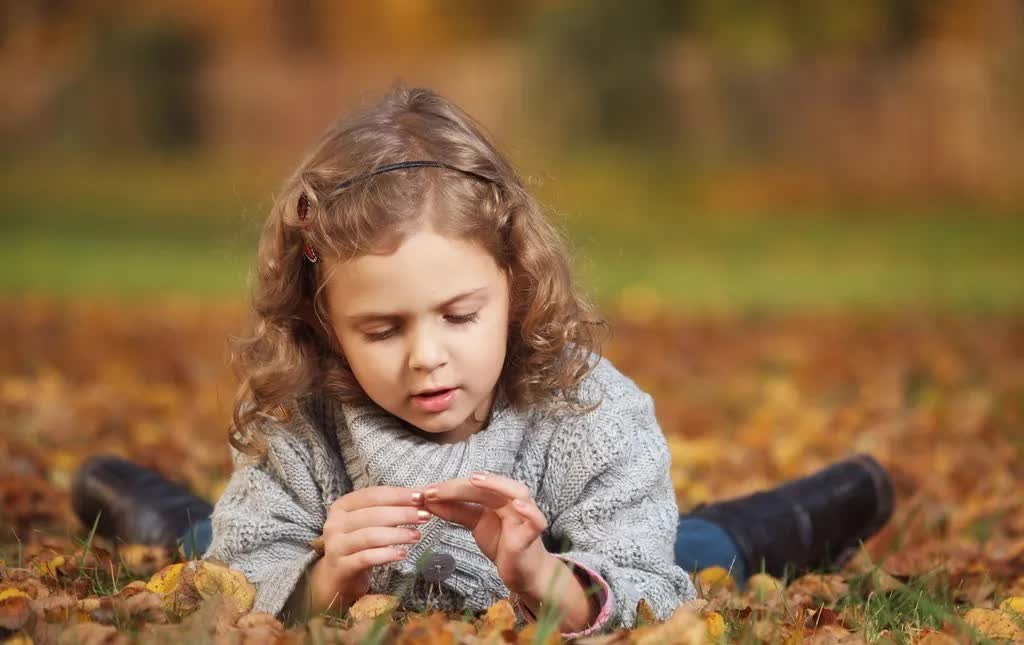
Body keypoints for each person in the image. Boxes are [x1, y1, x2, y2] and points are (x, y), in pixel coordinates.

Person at [69, 87, 893, 637]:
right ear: (325, 324)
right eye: (383, 329)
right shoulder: (306, 420)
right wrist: (325, 580)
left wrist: (538, 573)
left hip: (585, 560)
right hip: (291, 538)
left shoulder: (586, 410)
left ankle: (810, 509)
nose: (429, 357)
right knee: (211, 539)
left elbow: (639, 576)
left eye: (461, 315)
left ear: (514, 281)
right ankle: (143, 505)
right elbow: (244, 569)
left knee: (691, 553)